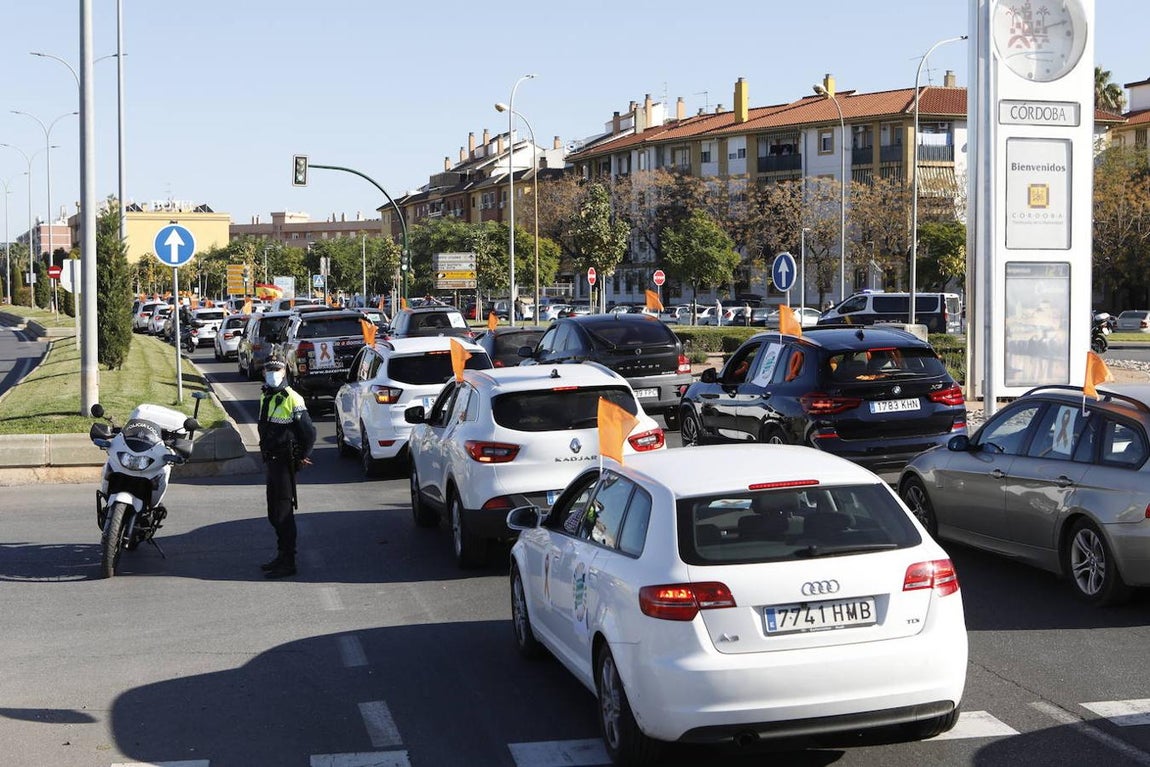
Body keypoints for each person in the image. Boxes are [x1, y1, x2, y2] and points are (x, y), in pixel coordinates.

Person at [257, 356, 316, 578]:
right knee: (273, 513)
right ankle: (281, 555)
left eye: (277, 369)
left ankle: (288, 561)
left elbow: (308, 432)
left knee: (283, 514)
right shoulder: (266, 395)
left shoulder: (293, 398)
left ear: (284, 372)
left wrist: (302, 456)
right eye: (268, 369)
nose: (272, 372)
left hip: (284, 461)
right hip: (271, 461)